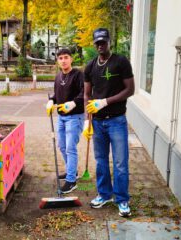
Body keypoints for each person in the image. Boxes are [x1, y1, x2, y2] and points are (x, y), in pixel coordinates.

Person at [82, 28, 135, 217]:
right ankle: (104, 194)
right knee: (101, 161)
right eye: (97, 42)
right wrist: (87, 121)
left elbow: (130, 90)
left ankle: (122, 199)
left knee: (121, 163)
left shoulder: (121, 62)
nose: (100, 45)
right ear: (94, 43)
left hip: (117, 121)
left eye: (103, 42)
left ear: (109, 42)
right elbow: (87, 94)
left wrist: (105, 101)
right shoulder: (89, 67)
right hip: (97, 123)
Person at [46, 48, 84, 194]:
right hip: (61, 117)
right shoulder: (58, 76)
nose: (63, 60)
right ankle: (72, 172)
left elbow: (84, 93)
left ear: (71, 59)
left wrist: (73, 103)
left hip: (75, 117)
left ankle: (71, 181)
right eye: (60, 58)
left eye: (66, 57)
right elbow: (57, 94)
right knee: (62, 146)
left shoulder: (78, 75)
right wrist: (51, 101)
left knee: (70, 148)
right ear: (58, 61)